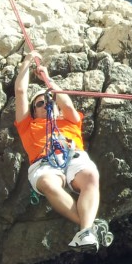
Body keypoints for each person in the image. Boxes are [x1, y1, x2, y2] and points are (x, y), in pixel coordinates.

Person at [14, 55, 111, 252]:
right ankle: (89, 228)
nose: (45, 105)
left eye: (48, 101)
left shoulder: (69, 120)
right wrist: (26, 63)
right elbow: (20, 91)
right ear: (34, 111)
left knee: (91, 176)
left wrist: (47, 80)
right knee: (49, 184)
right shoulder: (28, 126)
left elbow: (66, 104)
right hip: (44, 164)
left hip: (73, 157)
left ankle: (85, 231)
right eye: (39, 104)